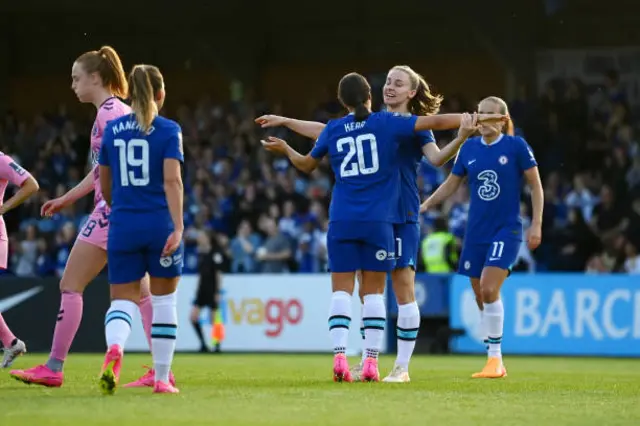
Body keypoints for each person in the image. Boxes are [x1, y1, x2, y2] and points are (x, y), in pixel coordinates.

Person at [260, 72, 503, 382]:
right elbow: (327, 131)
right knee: (368, 289)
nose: (390, 86)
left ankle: (401, 367)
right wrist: (288, 120)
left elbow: (437, 159)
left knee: (402, 289)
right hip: (379, 217)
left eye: (398, 83)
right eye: (388, 81)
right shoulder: (378, 122)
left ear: (412, 92)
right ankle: (367, 358)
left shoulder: (409, 125)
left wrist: (462, 134)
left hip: (402, 214)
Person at [10, 46, 170, 388]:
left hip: (113, 212)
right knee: (142, 295)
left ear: (95, 78)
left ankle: (54, 367)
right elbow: (102, 169)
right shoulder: (120, 111)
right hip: (131, 213)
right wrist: (67, 198)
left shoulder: (108, 115)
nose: (73, 85)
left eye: (76, 78)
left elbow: (112, 171)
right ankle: (161, 371)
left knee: (71, 285)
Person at [419, 96, 544, 378]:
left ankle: (496, 359)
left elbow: (536, 186)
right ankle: (493, 358)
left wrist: (536, 224)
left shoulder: (516, 146)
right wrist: (426, 204)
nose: (483, 118)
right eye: (480, 113)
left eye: (490, 114)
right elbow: (451, 185)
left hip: (507, 229)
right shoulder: (469, 148)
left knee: (489, 288)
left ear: (502, 119)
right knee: (480, 293)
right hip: (476, 231)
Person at [97, 64, 183, 394]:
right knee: (163, 303)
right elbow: (173, 180)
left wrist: (122, 206)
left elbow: (105, 186)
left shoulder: (113, 130)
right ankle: (161, 378)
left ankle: (116, 348)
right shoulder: (169, 129)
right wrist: (178, 226)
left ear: (130, 93)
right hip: (159, 225)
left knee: (122, 301)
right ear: (161, 94)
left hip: (123, 225)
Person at [0, 154, 40, 368]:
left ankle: (11, 342)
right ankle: (11, 342)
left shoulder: (1, 161)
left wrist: (3, 208)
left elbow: (31, 185)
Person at [190, 230, 227, 353]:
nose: (199, 238)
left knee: (214, 319)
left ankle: (216, 345)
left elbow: (218, 274)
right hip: (202, 289)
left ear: (208, 238)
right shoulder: (201, 253)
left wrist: (218, 292)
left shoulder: (216, 253)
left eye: (202, 236)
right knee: (193, 317)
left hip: (212, 289)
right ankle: (203, 344)